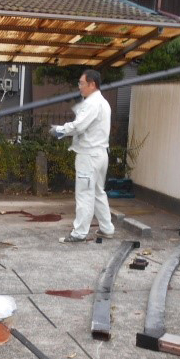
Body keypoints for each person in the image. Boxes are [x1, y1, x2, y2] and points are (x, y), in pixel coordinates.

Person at [50, 69, 115, 243]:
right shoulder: (103, 102)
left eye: (81, 83)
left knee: (85, 194)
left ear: (92, 84)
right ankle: (107, 228)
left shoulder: (93, 103)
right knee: (97, 192)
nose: (79, 87)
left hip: (89, 155)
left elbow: (79, 126)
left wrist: (60, 130)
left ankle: (79, 233)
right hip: (100, 154)